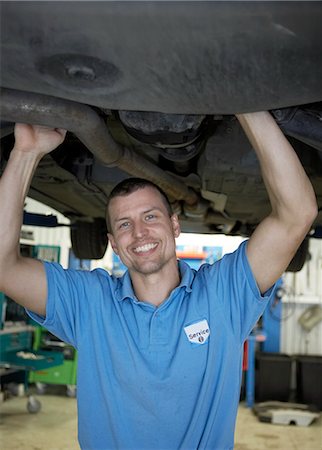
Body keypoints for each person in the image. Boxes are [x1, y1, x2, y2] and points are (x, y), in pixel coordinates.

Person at [0, 112, 317, 449]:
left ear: (174, 225)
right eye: (124, 224)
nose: (139, 232)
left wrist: (247, 106)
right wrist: (26, 152)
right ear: (113, 242)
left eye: (150, 216)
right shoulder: (88, 302)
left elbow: (297, 213)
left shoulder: (223, 294)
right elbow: (4, 267)